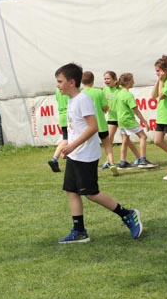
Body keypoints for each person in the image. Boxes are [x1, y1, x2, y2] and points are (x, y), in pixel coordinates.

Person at [54, 63, 143, 244]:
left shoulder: (82, 99)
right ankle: (79, 231)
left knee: (91, 193)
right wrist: (68, 147)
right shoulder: (72, 100)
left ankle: (127, 214)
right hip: (75, 154)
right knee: (71, 191)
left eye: (60, 81)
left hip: (85, 155)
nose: (58, 85)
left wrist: (72, 146)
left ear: (71, 82)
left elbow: (93, 127)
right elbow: (76, 128)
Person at [113, 73, 153, 170]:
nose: (134, 82)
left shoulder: (119, 93)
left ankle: (122, 162)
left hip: (121, 120)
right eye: (132, 80)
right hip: (128, 120)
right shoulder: (128, 95)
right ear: (127, 82)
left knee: (125, 140)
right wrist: (145, 122)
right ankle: (143, 160)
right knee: (143, 136)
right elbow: (136, 110)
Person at [101, 70, 139, 169]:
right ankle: (109, 161)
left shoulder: (120, 88)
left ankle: (139, 157)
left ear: (115, 79)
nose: (106, 80)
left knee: (126, 140)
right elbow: (103, 102)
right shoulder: (105, 90)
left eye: (108, 78)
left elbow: (127, 100)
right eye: (105, 79)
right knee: (109, 140)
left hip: (122, 118)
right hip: (112, 118)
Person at [81, 71, 110, 164]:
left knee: (88, 147)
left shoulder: (80, 94)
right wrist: (105, 109)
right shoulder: (99, 92)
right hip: (101, 125)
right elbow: (105, 107)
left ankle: (88, 163)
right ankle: (111, 163)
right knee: (107, 145)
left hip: (88, 127)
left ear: (82, 81)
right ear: (93, 81)